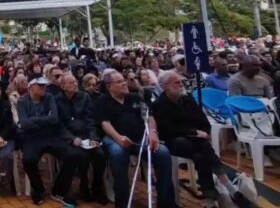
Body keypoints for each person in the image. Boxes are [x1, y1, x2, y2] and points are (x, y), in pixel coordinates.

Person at [153, 72, 256, 208]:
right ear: (166, 87)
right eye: (176, 82)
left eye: (180, 81)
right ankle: (232, 189)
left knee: (201, 157)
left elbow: (203, 120)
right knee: (202, 145)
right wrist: (194, 132)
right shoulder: (159, 105)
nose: (181, 84)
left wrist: (205, 132)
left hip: (196, 141)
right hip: (175, 140)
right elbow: (167, 130)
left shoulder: (188, 99)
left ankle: (210, 202)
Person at [95, 71, 175, 208]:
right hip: (114, 138)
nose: (124, 83)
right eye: (119, 82)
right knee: (118, 154)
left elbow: (149, 116)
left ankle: (166, 202)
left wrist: (153, 132)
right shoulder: (102, 101)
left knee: (163, 153)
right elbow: (105, 123)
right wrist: (119, 138)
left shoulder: (135, 98)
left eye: (123, 80)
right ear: (109, 86)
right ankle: (123, 203)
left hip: (140, 138)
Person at [17, 76, 80, 206]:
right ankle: (38, 189)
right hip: (32, 137)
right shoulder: (22, 101)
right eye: (40, 86)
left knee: (73, 155)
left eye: (44, 85)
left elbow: (55, 119)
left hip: (51, 135)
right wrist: (45, 119)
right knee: (28, 160)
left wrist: (33, 119)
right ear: (30, 87)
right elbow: (24, 124)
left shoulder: (49, 97)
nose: (43, 88)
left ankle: (59, 190)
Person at [56, 74, 107, 204]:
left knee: (100, 155)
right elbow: (59, 125)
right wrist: (72, 138)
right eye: (71, 82)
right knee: (80, 155)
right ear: (63, 86)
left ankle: (97, 188)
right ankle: (83, 187)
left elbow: (90, 119)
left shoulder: (84, 97)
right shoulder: (57, 100)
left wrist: (93, 137)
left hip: (86, 135)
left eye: (75, 81)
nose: (75, 84)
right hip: (70, 137)